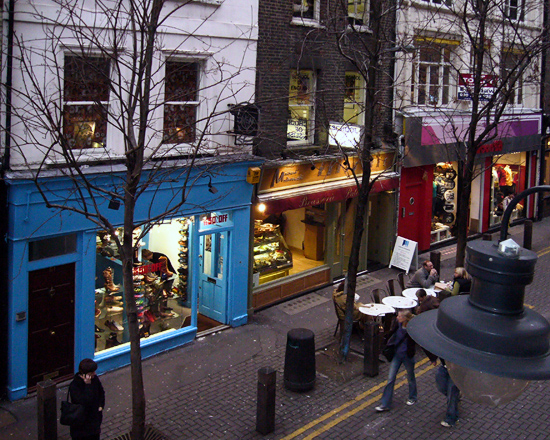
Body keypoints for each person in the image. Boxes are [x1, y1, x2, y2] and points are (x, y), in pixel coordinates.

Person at [375, 310, 417, 412]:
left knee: (410, 376)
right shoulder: (398, 325)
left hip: (407, 356)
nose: (397, 317)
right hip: (397, 355)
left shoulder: (412, 329)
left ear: (404, 319)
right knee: (390, 379)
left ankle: (413, 397)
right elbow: (391, 334)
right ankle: (385, 404)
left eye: (399, 316)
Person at [68, 358, 105, 440]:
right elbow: (84, 402)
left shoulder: (95, 379)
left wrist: (101, 406)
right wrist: (88, 386)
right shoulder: (75, 386)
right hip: (81, 425)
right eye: (92, 372)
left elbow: (101, 392)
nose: (94, 374)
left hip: (94, 422)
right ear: (84, 374)